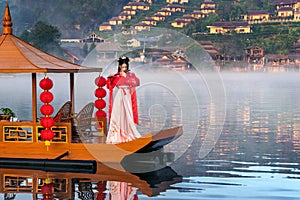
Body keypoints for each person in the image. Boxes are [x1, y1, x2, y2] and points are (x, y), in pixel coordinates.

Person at [106, 56, 141, 144]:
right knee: (118, 114)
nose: (124, 69)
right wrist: (109, 78)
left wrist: (126, 77)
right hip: (120, 95)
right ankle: (116, 135)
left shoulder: (131, 75)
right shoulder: (116, 76)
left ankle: (128, 133)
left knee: (128, 114)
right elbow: (110, 86)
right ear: (119, 66)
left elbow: (136, 83)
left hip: (127, 96)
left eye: (125, 67)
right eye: (122, 67)